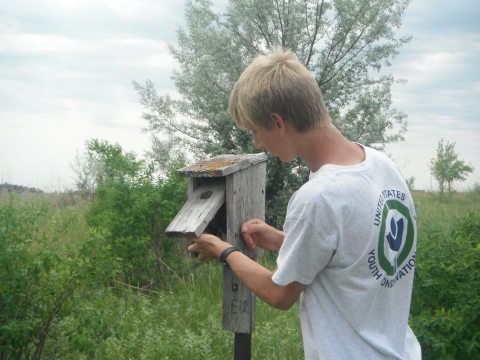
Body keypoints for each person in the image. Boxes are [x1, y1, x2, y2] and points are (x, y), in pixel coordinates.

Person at [188, 47, 421, 359]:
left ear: (278, 122)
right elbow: (357, 250)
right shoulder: (382, 166)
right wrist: (284, 240)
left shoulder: (319, 197)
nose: (257, 143)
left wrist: (223, 251)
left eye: (256, 131)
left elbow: (279, 292)